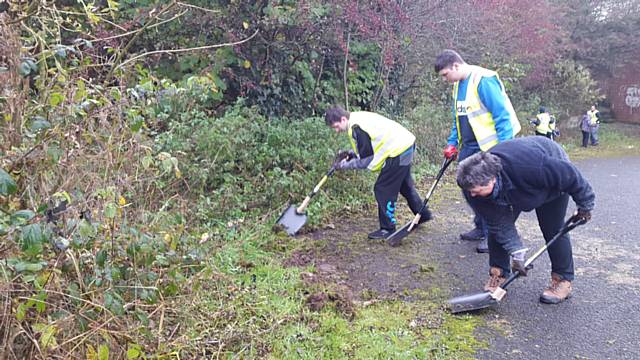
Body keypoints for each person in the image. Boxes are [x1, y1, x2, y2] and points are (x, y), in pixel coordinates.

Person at [456, 136, 595, 304]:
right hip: (514, 188)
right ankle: (498, 274)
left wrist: (585, 205)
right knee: (495, 231)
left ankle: (562, 280)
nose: (472, 195)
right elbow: (500, 224)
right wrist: (517, 253)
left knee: (554, 230)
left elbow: (571, 176)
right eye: (470, 191)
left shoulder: (530, 166)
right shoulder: (470, 187)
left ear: (492, 179)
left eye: (477, 191)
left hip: (550, 184)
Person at [434, 49, 521, 253]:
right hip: (470, 146)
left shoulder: (483, 79)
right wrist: (452, 142)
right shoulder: (457, 86)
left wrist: (504, 151)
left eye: (445, 75)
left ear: (456, 66)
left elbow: (502, 117)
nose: (445, 80)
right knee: (468, 188)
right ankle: (481, 227)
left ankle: (495, 235)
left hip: (491, 147)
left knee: (490, 193)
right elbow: (459, 119)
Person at [324, 106, 432, 240]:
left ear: (343, 119)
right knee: (404, 185)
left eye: (336, 126)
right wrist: (351, 154)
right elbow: (368, 148)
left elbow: (365, 160)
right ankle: (423, 214)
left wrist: (344, 165)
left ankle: (387, 228)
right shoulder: (358, 117)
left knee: (382, 189)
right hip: (406, 145)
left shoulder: (357, 127)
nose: (336, 131)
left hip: (398, 151)